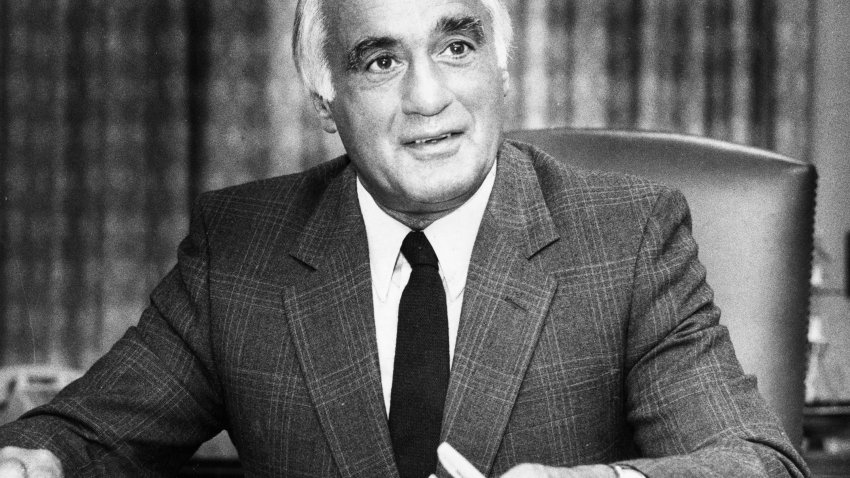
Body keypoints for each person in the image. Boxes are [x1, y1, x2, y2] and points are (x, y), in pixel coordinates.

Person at [0, 0, 810, 476]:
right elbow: (86, 432)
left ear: (500, 68)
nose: (428, 98)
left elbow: (756, 459)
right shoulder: (240, 245)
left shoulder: (627, 237)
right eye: (380, 62)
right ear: (327, 102)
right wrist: (36, 461)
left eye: (456, 47)